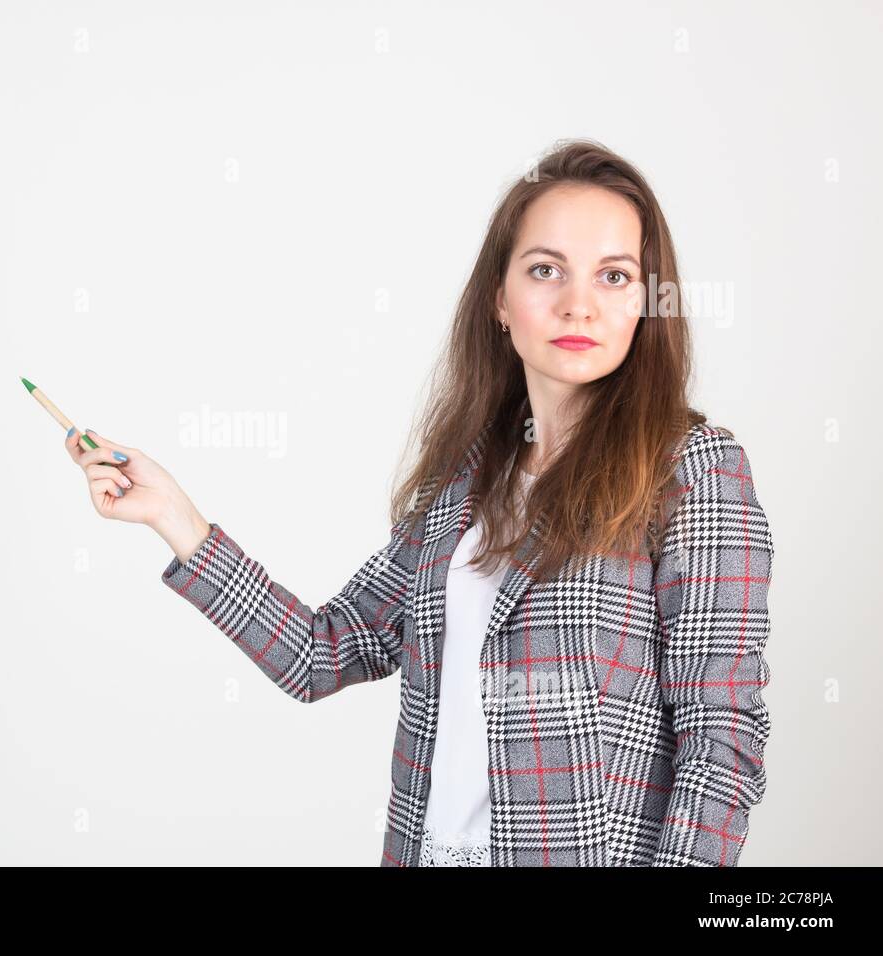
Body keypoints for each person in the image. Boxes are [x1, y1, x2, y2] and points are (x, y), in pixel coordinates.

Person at [61, 139, 774, 867]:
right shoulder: (464, 482)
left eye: (614, 276)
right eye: (544, 269)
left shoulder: (693, 471)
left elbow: (721, 743)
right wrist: (173, 516)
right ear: (500, 299)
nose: (577, 303)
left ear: (647, 303)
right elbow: (323, 651)